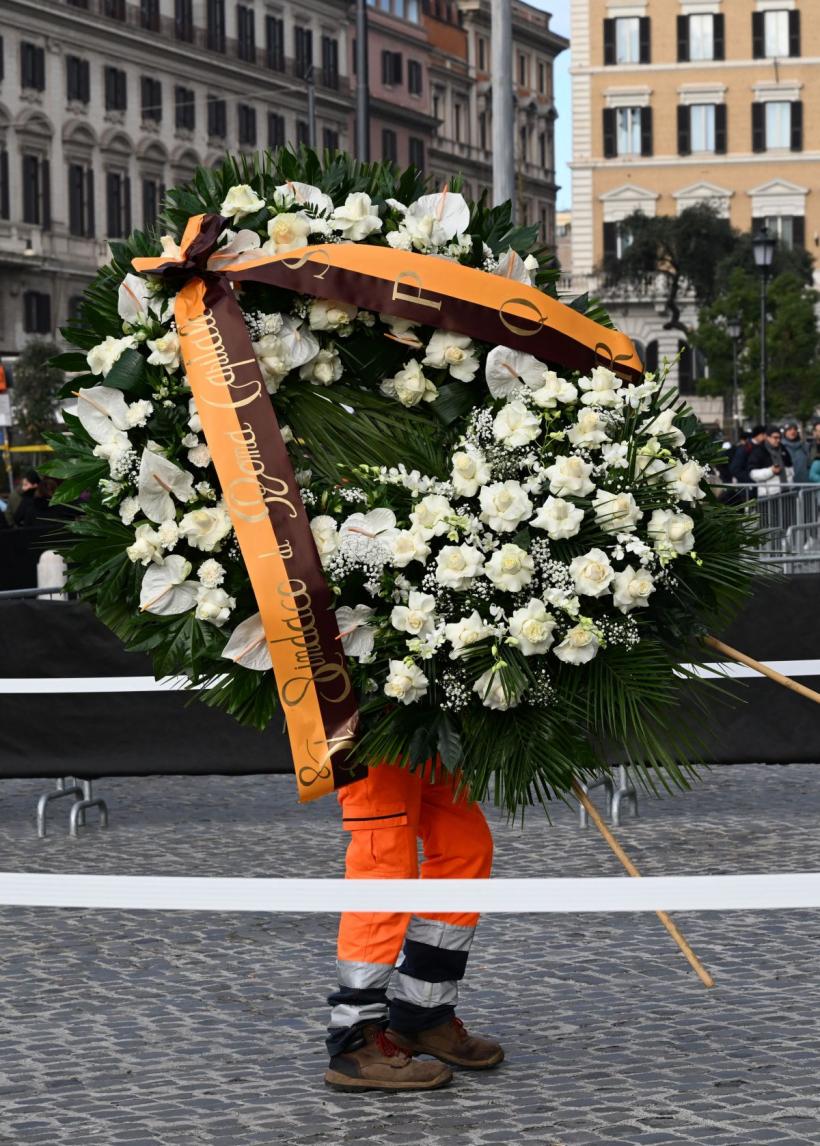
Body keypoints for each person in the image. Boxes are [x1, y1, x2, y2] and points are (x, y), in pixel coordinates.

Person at [324, 758, 502, 1092]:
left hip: (423, 729)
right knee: (384, 866)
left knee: (464, 848)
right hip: (370, 732)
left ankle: (423, 1015)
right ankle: (355, 1039)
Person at [748, 426, 793, 496]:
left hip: (787, 492)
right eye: (775, 437)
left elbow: (790, 467)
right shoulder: (758, 451)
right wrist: (771, 471)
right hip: (769, 495)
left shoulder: (783, 449)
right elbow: (753, 474)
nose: (778, 440)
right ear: (767, 437)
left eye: (779, 438)